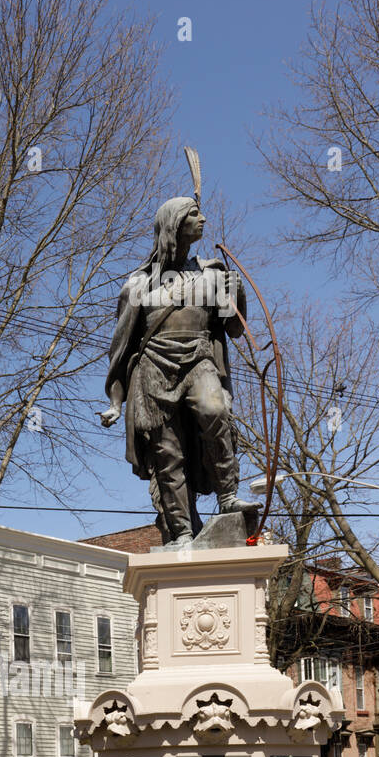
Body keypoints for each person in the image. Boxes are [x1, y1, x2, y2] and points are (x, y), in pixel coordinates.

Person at [99, 196, 259, 548]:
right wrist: (115, 401)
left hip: (199, 358)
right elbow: (121, 348)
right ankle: (183, 531)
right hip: (152, 369)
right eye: (193, 214)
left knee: (214, 412)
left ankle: (228, 495)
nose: (202, 219)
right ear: (173, 225)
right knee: (167, 452)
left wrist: (237, 292)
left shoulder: (212, 274)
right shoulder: (138, 285)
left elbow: (232, 328)